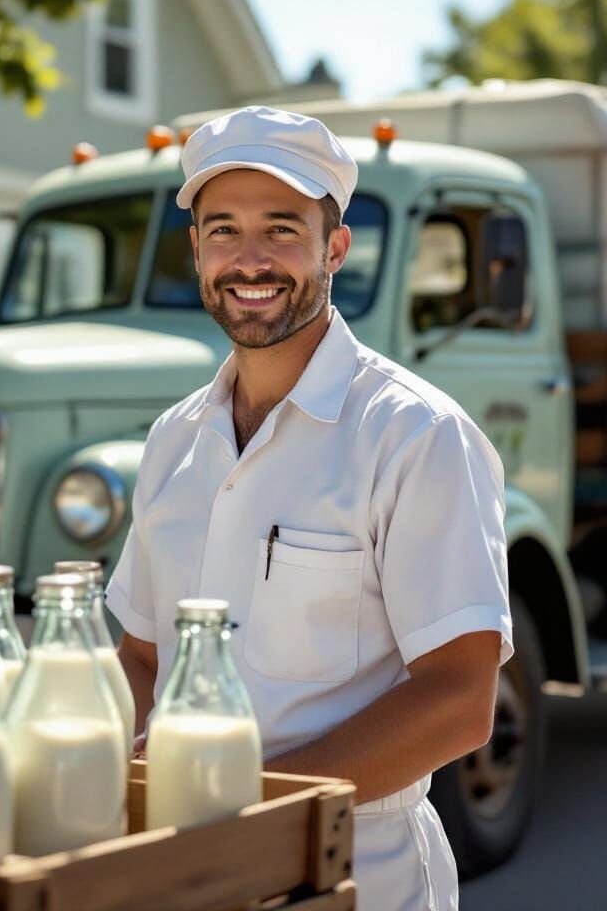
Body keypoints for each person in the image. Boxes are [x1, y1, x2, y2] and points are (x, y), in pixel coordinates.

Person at [105, 106, 512, 911]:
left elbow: (460, 699)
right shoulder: (173, 439)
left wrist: (255, 809)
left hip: (359, 872)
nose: (248, 259)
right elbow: (143, 660)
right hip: (184, 873)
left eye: (281, 230)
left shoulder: (415, 435)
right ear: (195, 252)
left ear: (335, 248)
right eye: (222, 231)